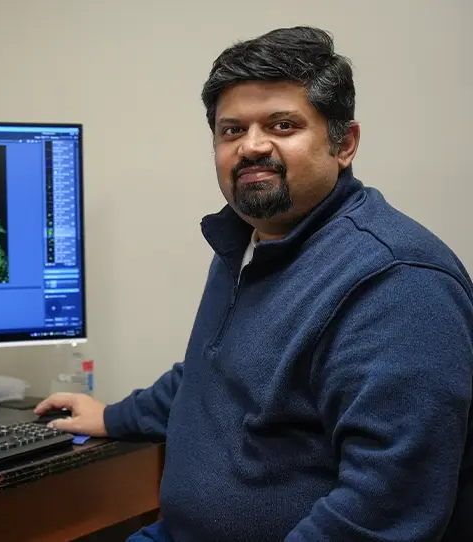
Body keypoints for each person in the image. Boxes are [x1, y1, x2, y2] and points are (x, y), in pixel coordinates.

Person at [35, 26, 473, 541]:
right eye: (232, 130)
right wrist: (112, 416)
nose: (252, 146)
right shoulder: (248, 239)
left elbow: (381, 512)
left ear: (344, 143)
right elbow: (209, 374)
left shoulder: (396, 282)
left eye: (283, 125)